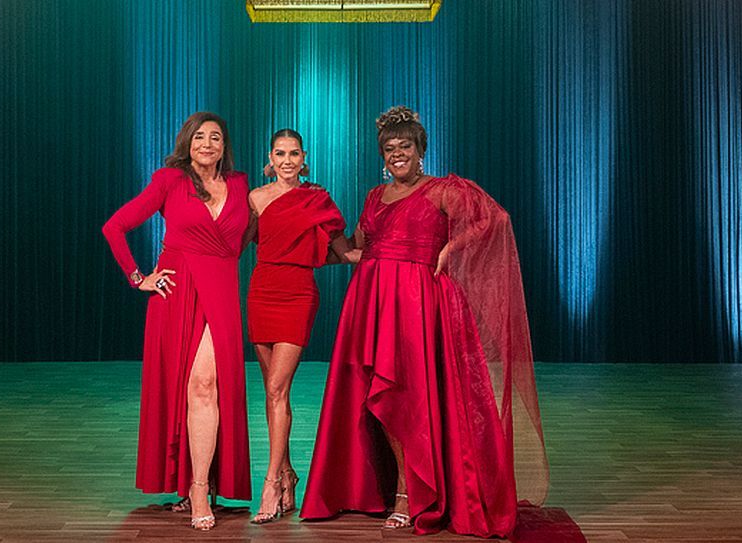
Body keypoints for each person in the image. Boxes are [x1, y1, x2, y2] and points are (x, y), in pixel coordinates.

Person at [300, 106, 549, 537]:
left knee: (410, 398)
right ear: (382, 154)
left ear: (420, 151)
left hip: (419, 306)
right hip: (372, 302)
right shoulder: (375, 197)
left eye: (406, 147)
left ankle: (407, 493)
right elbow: (357, 248)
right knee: (377, 398)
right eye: (390, 148)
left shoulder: (443, 191)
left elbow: (496, 220)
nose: (398, 154)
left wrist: (452, 248)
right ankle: (391, 488)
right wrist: (315, 221)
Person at [101, 111, 251, 531]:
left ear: (225, 146)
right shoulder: (170, 181)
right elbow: (114, 227)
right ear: (187, 143)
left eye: (215, 137)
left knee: (209, 387)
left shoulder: (240, 185)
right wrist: (138, 278)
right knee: (199, 386)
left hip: (221, 294)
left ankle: (200, 482)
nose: (207, 143)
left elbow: (255, 233)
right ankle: (199, 488)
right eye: (199, 137)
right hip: (178, 291)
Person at [244, 128, 350, 524]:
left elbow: (345, 251)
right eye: (280, 153)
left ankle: (271, 482)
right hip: (261, 292)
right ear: (269, 159)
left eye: (294, 154)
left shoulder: (317, 198)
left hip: (298, 294)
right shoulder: (255, 198)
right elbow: (235, 244)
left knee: (276, 388)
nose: (287, 161)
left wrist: (392, 247)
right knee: (271, 392)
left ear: (304, 158)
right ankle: (289, 475)